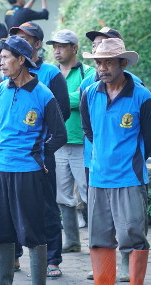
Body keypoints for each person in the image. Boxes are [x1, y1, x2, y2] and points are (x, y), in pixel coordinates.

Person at [0, 35, 67, 285]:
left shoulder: (43, 94)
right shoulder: (0, 89)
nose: (1, 62)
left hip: (27, 171)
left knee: (33, 231)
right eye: (0, 57)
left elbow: (60, 134)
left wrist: (39, 155)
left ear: (21, 59)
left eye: (5, 57)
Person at [80, 37, 151, 285]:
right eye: (99, 63)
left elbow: (149, 139)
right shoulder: (89, 93)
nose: (102, 68)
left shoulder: (142, 96)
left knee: (133, 238)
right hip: (98, 178)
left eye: (108, 63)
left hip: (130, 178)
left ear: (123, 64)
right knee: (99, 239)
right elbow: (89, 131)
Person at [9, 21, 70, 277]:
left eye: (25, 38)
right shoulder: (8, 75)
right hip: (13, 156)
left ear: (37, 44)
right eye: (16, 37)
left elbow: (63, 113)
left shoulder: (51, 75)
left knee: (46, 206)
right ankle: (12, 257)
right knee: (12, 205)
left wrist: (42, 148)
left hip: (40, 155)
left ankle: (52, 258)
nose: (19, 41)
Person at [46, 29, 95, 252]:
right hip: (57, 142)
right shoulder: (51, 73)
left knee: (89, 192)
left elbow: (86, 99)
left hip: (81, 142)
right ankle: (73, 241)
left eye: (62, 46)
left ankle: (97, 241)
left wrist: (62, 98)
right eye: (54, 46)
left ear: (74, 48)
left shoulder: (89, 71)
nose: (57, 50)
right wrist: (69, 97)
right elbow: (47, 101)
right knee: (62, 194)